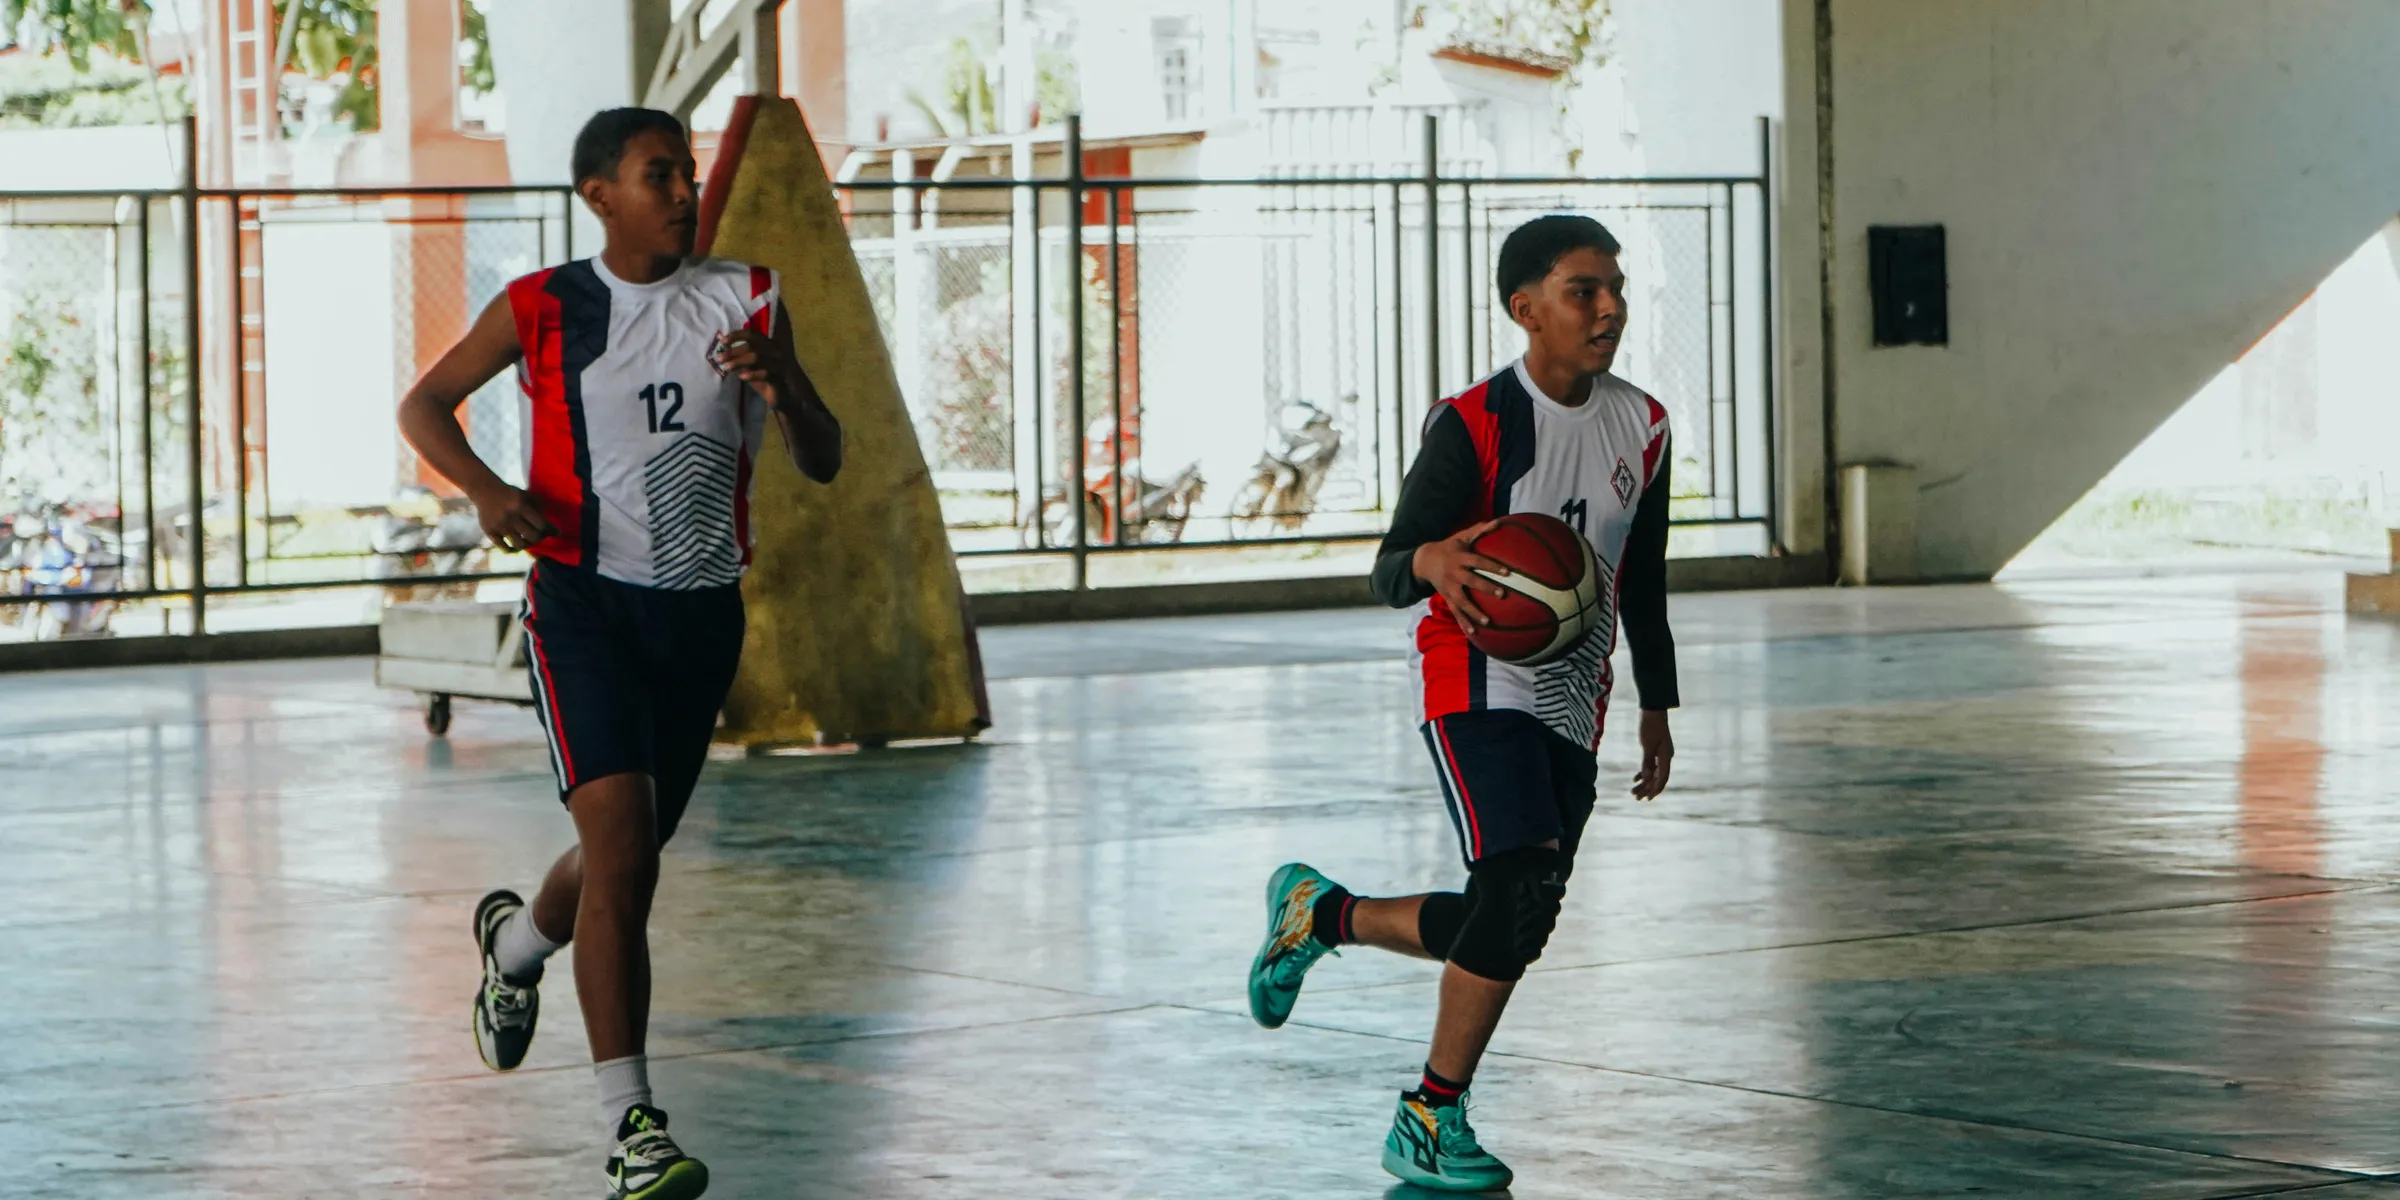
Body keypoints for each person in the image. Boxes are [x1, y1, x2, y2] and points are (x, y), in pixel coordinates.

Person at [397, 107, 841, 1200]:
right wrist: (491, 491)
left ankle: (510, 954)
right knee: (626, 857)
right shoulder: (545, 305)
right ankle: (631, 1127)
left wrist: (787, 386)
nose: (686, 191)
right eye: (660, 175)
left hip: (699, 614)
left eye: (687, 172)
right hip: (583, 603)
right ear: (599, 194)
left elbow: (824, 460)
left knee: (618, 858)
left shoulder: (750, 294)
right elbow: (426, 403)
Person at [1245, 214, 1678, 1192]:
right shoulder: (1475, 421)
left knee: (1515, 914)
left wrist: (1658, 701)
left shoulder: (1642, 425)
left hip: (1577, 690)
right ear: (1525, 309)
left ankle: (1324, 915)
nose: (1608, 306)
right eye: (1583, 290)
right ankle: (1430, 1116)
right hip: (1474, 676)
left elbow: (1641, 577)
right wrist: (1433, 558)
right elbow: (1390, 569)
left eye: (1615, 288)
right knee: (1518, 881)